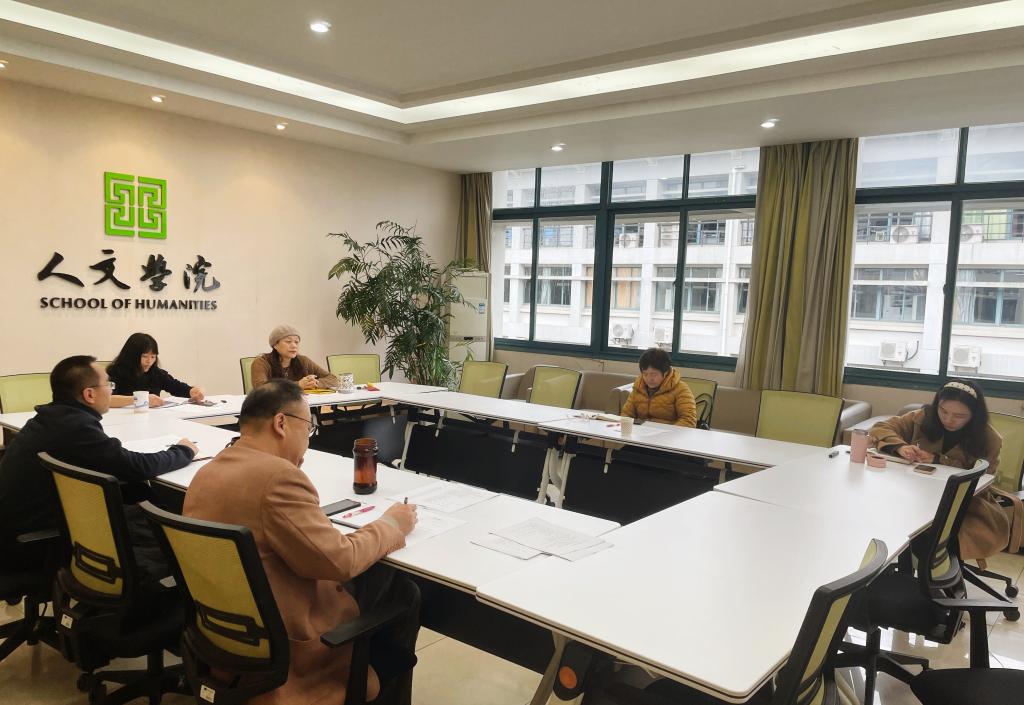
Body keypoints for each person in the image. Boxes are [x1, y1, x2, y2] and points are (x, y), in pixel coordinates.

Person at [183, 380, 419, 705]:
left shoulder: (206, 472)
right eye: (308, 429)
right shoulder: (278, 478)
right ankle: (366, 682)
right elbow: (340, 560)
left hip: (228, 638)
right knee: (404, 590)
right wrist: (393, 524)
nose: (308, 440)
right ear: (281, 423)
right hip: (290, 651)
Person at [0, 356, 197, 582]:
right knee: (152, 510)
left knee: (138, 493)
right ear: (89, 394)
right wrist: (183, 451)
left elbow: (121, 464)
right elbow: (136, 467)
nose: (112, 390)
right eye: (109, 384)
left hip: (19, 530)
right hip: (30, 546)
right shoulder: (76, 428)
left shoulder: (52, 417)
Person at [869, 379, 1009, 560]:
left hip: (965, 506)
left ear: (974, 415)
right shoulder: (923, 417)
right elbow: (881, 428)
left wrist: (939, 460)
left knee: (929, 537)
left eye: (959, 416)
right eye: (943, 411)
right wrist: (900, 447)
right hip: (915, 494)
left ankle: (928, 571)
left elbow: (983, 478)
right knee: (879, 515)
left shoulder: (989, 438)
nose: (949, 420)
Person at [107, 332, 205, 408]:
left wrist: (193, 391)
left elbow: (177, 387)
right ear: (131, 355)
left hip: (153, 419)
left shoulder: (156, 373)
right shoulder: (114, 372)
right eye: (144, 356)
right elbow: (108, 399)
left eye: (153, 357)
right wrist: (142, 399)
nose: (149, 361)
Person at [619, 348, 698, 428]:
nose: (649, 379)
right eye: (645, 374)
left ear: (666, 372)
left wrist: (668, 433)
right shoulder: (638, 387)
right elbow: (626, 414)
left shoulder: (681, 389)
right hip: (641, 432)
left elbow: (689, 421)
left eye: (653, 374)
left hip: (669, 433)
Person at [251, 324, 339, 390]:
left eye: (296, 342)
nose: (294, 346)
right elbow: (261, 388)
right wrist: (298, 385)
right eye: (288, 341)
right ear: (275, 345)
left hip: (300, 405)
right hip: (271, 407)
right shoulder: (261, 362)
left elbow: (333, 379)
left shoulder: (303, 361)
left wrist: (315, 383)